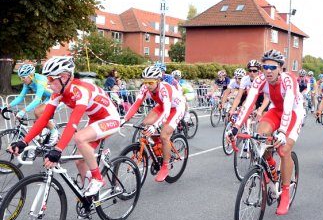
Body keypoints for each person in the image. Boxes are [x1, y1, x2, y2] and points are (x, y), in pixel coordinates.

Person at [8, 57, 121, 196]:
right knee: (80, 161)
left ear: (64, 77)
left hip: (110, 118)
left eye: (50, 79)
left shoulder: (81, 91)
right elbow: (43, 119)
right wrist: (24, 141)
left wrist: (58, 149)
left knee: (79, 138)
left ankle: (98, 178)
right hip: (95, 120)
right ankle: (89, 195)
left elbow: (72, 123)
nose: (48, 83)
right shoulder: (58, 93)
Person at [227, 49, 305, 215]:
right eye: (265, 67)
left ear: (280, 68)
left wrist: (283, 132)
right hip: (276, 110)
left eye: (272, 67)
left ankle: (285, 192)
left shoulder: (289, 80)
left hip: (293, 113)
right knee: (261, 137)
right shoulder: (260, 80)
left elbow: (289, 106)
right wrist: (235, 128)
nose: (268, 71)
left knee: (284, 150)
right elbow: (248, 103)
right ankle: (270, 164)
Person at [124, 65, 186, 182]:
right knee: (145, 124)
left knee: (164, 135)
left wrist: (155, 126)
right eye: (145, 82)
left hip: (176, 108)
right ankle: (159, 148)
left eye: (150, 82)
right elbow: (136, 104)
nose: (147, 85)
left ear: (158, 81)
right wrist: (123, 119)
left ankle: (165, 166)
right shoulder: (145, 88)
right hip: (162, 106)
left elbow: (167, 112)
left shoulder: (164, 89)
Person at [2, 64, 58, 146]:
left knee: (38, 111)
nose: (21, 80)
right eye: (20, 77)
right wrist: (7, 106)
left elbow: (37, 100)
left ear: (31, 76)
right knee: (37, 123)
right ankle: (41, 144)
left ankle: (54, 131)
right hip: (49, 97)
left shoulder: (40, 80)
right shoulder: (27, 83)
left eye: (23, 77)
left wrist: (23, 111)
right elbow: (20, 97)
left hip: (58, 97)